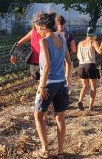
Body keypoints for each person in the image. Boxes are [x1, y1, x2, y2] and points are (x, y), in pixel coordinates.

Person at [33, 12, 72, 159]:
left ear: (44, 27)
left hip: (48, 84)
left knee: (38, 115)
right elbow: (69, 62)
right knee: (60, 118)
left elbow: (47, 65)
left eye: (38, 28)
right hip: (61, 84)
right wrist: (68, 80)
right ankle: (60, 153)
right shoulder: (62, 38)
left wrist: (42, 87)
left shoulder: (44, 41)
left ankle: (45, 149)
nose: (37, 31)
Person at [76, 27, 102, 111]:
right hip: (90, 65)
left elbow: (77, 56)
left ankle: (80, 100)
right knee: (93, 87)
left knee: (84, 86)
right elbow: (99, 51)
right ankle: (90, 107)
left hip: (81, 66)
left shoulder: (80, 43)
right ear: (93, 35)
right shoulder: (93, 42)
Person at [11, 16, 42, 80]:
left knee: (44, 82)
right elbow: (19, 43)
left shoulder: (46, 34)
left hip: (44, 61)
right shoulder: (32, 32)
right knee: (37, 79)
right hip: (33, 62)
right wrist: (13, 54)